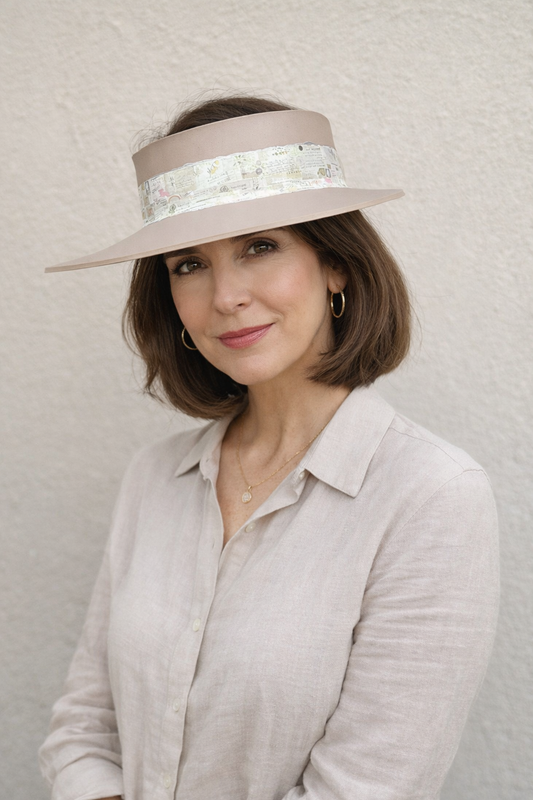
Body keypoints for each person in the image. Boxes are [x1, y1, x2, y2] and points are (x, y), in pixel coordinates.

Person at [38, 95, 500, 800]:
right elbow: (83, 730)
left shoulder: (430, 496)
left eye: (259, 246)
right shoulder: (154, 478)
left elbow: (370, 786)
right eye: (188, 264)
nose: (225, 296)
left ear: (335, 264)